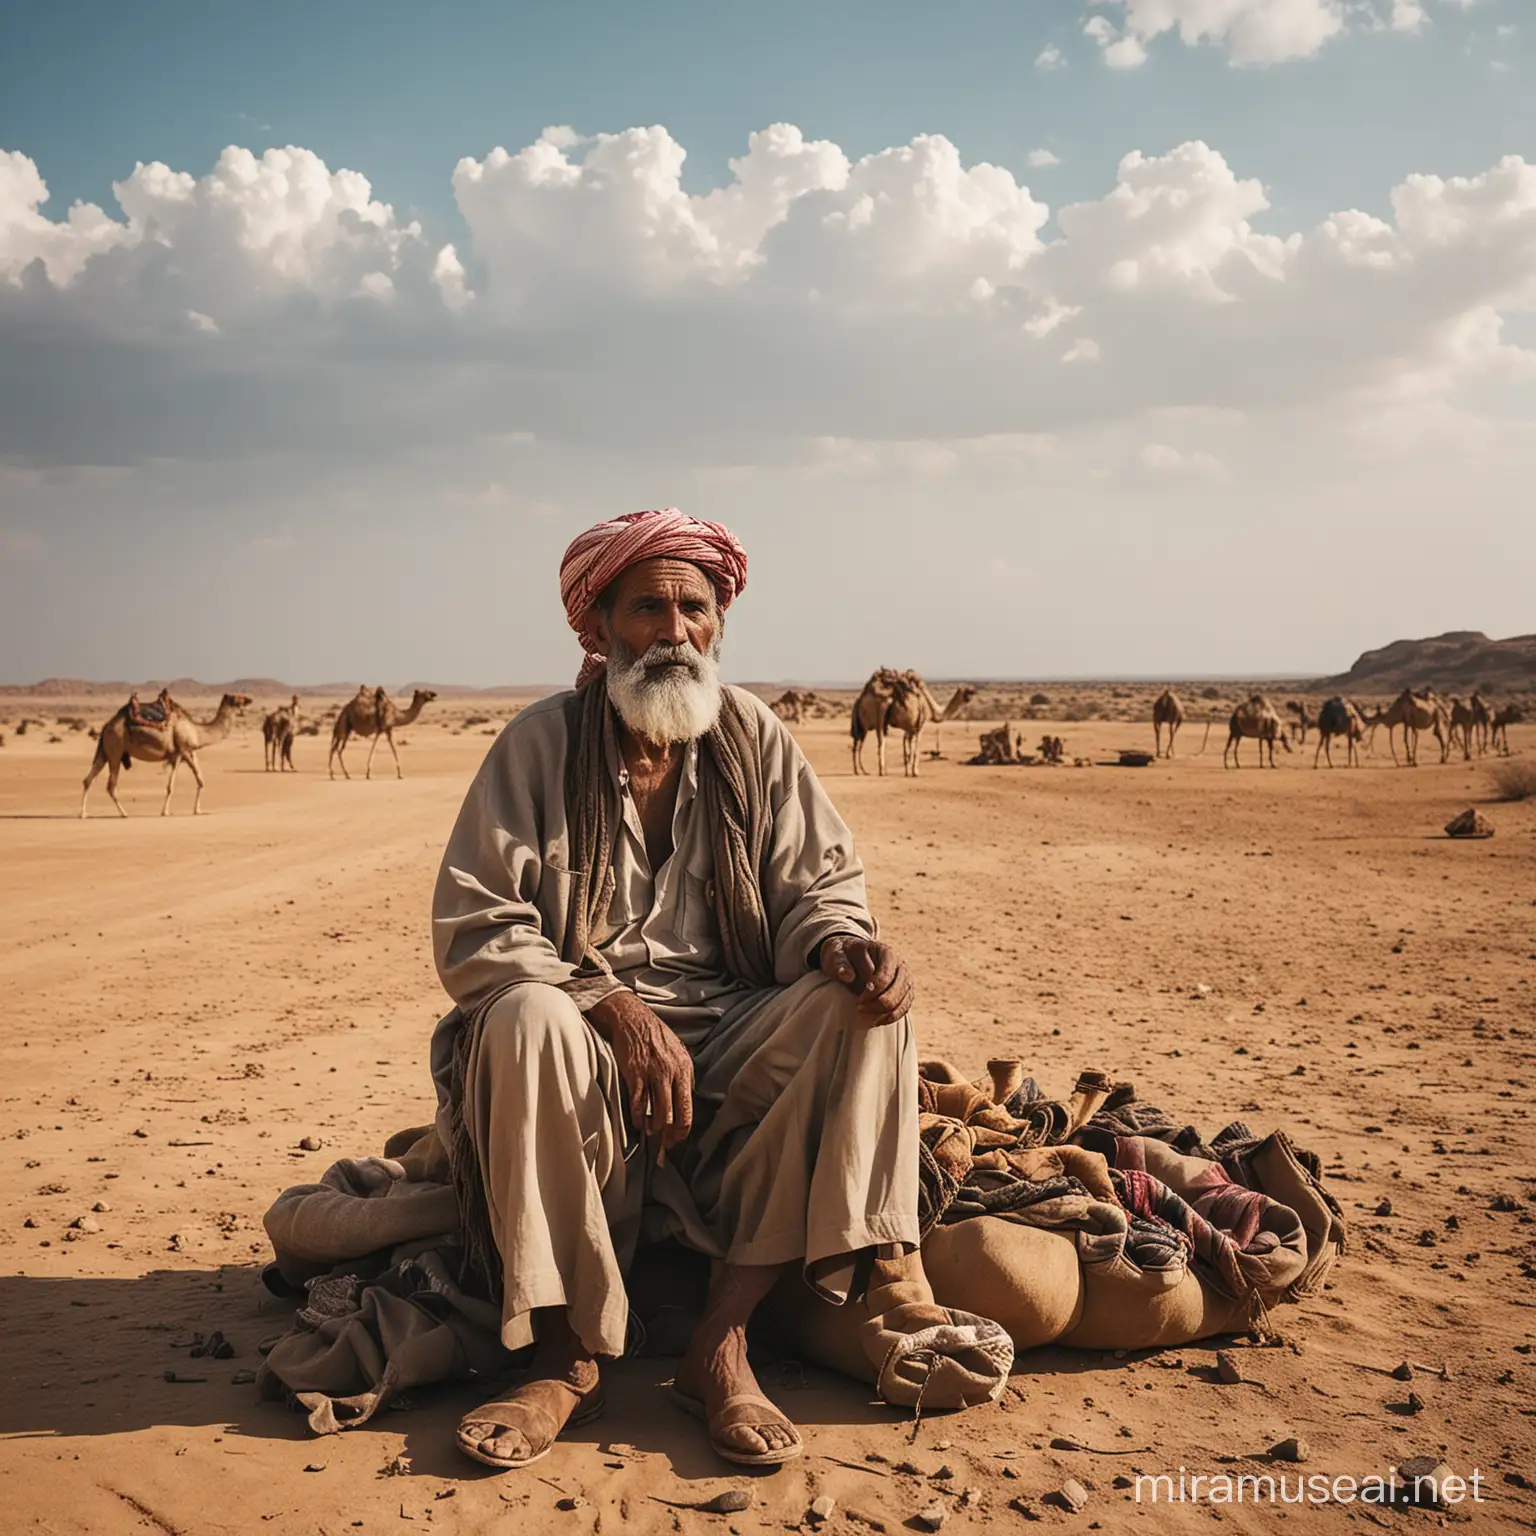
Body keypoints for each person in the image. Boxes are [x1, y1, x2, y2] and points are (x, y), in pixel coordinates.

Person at [429, 508, 994, 1472]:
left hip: (734, 1024)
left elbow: (820, 888)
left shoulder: (753, 738)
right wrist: (608, 1004)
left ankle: (720, 1342)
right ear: (598, 627)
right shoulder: (538, 745)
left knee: (861, 1015)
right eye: (648, 607)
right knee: (523, 1015)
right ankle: (566, 1360)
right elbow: (478, 925)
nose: (676, 630)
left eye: (696, 607)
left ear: (720, 622)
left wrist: (842, 948)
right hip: (584, 1026)